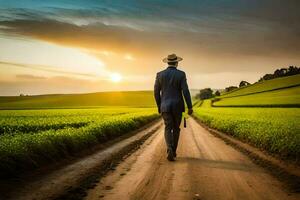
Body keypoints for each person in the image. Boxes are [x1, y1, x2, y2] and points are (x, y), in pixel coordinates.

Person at [154, 54, 193, 161]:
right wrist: (190, 107)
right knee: (176, 128)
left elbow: (156, 92)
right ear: (177, 62)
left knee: (167, 127)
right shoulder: (181, 74)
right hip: (178, 106)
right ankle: (173, 151)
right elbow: (185, 91)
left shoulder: (159, 75)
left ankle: (169, 148)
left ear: (167, 62)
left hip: (165, 106)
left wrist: (159, 105)